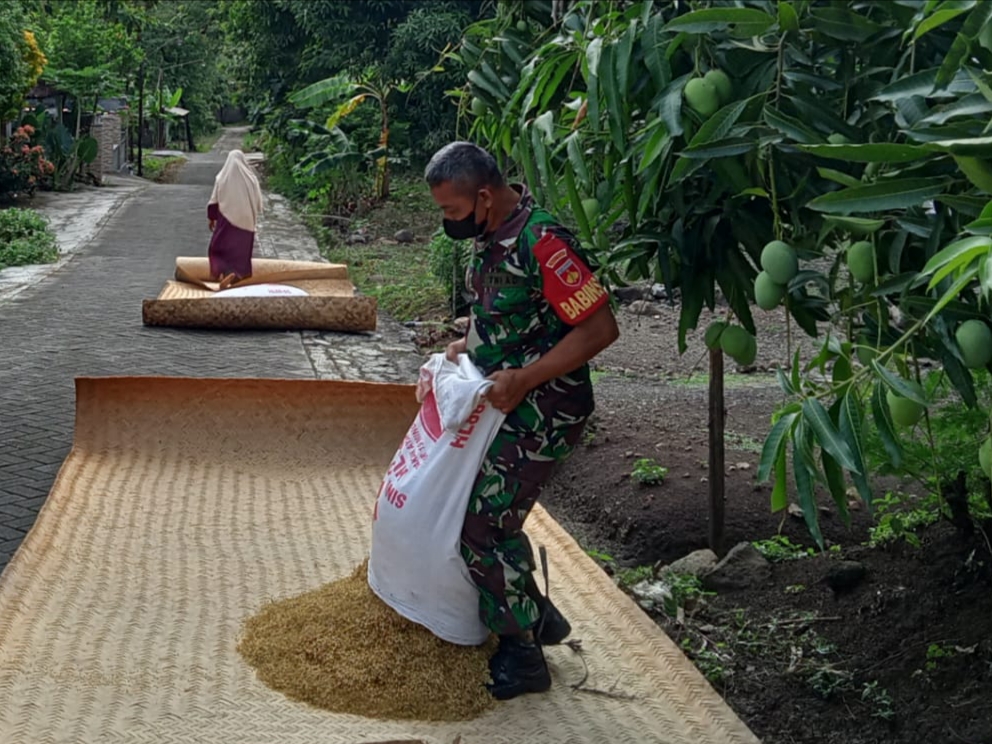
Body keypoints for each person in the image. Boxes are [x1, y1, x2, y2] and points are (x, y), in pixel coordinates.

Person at [425, 142, 620, 700]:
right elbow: (510, 317)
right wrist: (467, 345)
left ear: (484, 197)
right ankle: (539, 616)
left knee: (482, 528)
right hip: (506, 403)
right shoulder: (492, 236)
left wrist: (527, 376)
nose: (447, 222)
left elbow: (601, 329)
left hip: (546, 410)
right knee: (476, 509)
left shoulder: (544, 243)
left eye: (451, 212)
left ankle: (522, 655)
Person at [207, 149, 263, 285]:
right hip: (246, 222)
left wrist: (211, 218)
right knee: (241, 252)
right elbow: (258, 201)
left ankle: (222, 273)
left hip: (227, 220)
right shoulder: (251, 178)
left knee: (217, 248)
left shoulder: (222, 177)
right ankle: (238, 276)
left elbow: (214, 200)